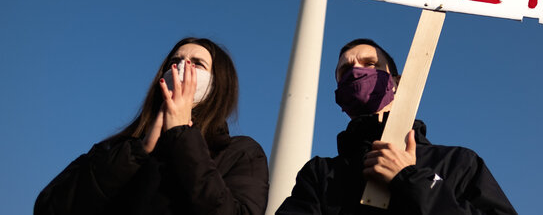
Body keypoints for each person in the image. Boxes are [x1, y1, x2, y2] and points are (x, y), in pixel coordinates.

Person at [275, 38, 517, 215]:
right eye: (345, 70)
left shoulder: (458, 162)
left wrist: (414, 181)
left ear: (396, 83)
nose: (357, 72)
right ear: (339, 96)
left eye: (370, 64)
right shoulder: (321, 174)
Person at [35, 37, 269, 215]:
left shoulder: (241, 153)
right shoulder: (116, 148)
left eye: (197, 64)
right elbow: (50, 206)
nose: (182, 68)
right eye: (175, 62)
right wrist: (138, 151)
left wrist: (182, 137)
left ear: (219, 85)